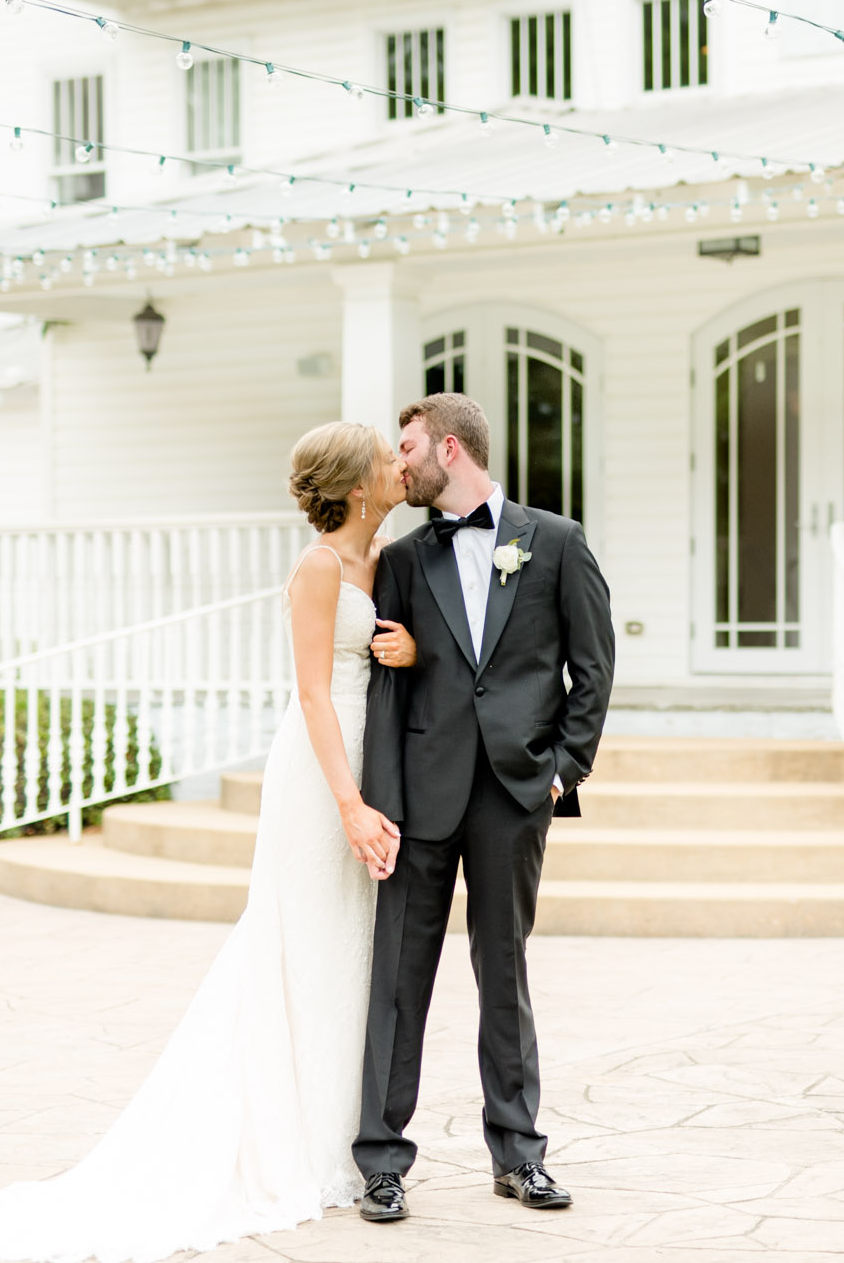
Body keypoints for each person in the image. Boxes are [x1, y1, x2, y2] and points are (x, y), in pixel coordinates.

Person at [0, 422, 418, 1262]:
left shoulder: (386, 555)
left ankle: (339, 1138)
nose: (401, 466)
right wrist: (352, 805)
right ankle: (291, 1143)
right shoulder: (319, 568)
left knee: (347, 952)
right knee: (302, 947)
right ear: (356, 485)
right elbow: (317, 698)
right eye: (386, 458)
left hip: (372, 754)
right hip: (323, 773)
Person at [354, 392, 616, 1223]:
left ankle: (518, 1155)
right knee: (400, 981)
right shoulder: (399, 560)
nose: (400, 464)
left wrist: (562, 772)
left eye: (408, 448)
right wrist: (382, 804)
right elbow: (388, 694)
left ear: (452, 450)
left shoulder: (557, 543)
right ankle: (383, 1161)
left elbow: (594, 668)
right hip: (420, 800)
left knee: (504, 974)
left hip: (514, 795)